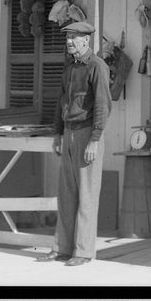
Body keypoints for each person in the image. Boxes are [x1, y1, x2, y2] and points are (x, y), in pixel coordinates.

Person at [36, 20, 112, 267]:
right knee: (66, 195)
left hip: (87, 133)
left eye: (73, 38)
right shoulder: (69, 68)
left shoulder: (97, 66)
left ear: (85, 40)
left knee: (87, 195)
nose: (69, 42)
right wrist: (57, 134)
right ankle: (61, 249)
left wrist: (95, 139)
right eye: (67, 38)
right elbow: (61, 102)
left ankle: (82, 251)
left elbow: (102, 104)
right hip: (68, 133)